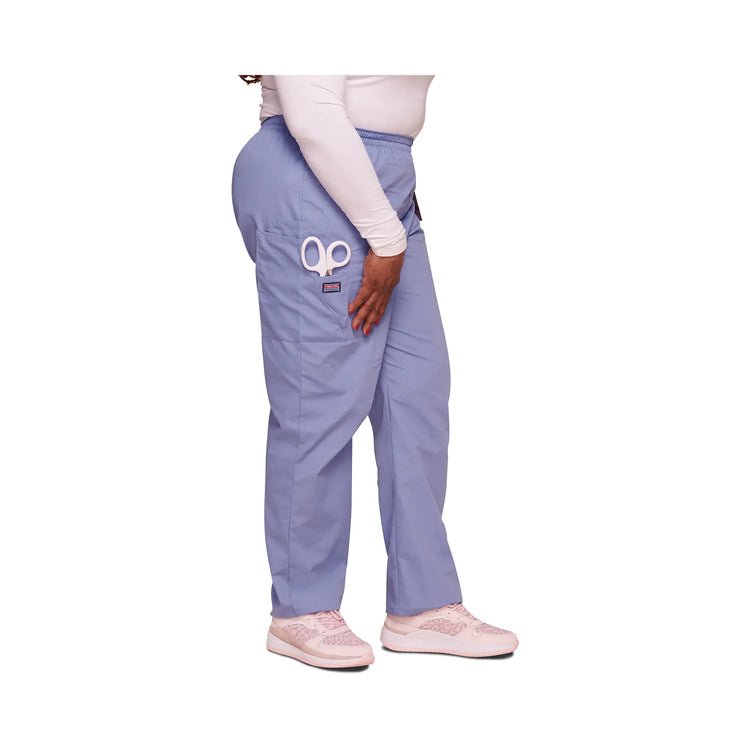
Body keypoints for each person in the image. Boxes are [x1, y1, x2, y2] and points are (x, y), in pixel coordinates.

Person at [231, 75, 518, 668]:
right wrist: (385, 236)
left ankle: (423, 602)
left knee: (415, 394)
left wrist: (390, 218)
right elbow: (312, 111)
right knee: (320, 398)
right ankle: (302, 610)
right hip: (317, 167)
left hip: (382, 184)